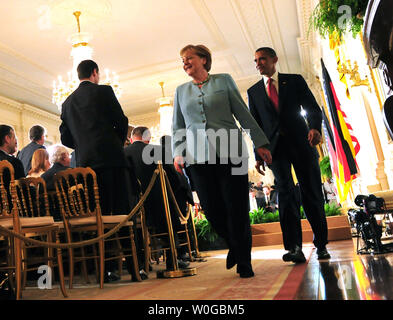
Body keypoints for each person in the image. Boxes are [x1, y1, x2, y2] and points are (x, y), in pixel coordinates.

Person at [172, 44, 272, 278]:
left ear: (204, 60)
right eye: (182, 60)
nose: (185, 62)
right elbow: (177, 126)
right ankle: (235, 246)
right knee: (211, 208)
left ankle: (244, 261)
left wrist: (260, 142)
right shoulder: (180, 91)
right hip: (197, 157)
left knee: (236, 207)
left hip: (231, 152)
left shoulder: (223, 80)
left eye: (189, 58)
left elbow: (242, 113)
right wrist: (178, 151)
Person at [247, 47, 330, 262]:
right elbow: (254, 125)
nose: (258, 63)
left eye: (262, 59)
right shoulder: (253, 92)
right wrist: (258, 154)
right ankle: (293, 248)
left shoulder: (294, 80)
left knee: (311, 193)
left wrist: (314, 128)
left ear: (274, 59)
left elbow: (312, 107)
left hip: (302, 143)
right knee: (285, 195)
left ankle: (321, 244)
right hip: (275, 151)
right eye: (256, 60)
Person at [59, 59, 137, 282]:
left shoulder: (67, 102)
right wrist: (116, 143)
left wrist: (84, 146)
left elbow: (65, 137)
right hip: (112, 160)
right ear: (95, 73)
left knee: (99, 217)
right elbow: (121, 121)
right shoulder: (104, 91)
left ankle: (108, 269)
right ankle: (132, 268)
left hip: (85, 167)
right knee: (121, 214)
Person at [124, 127, 190, 270]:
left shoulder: (123, 153)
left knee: (138, 227)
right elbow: (173, 178)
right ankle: (173, 259)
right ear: (148, 138)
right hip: (159, 204)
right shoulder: (158, 150)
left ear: (131, 138)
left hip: (133, 206)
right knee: (168, 212)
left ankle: (141, 265)